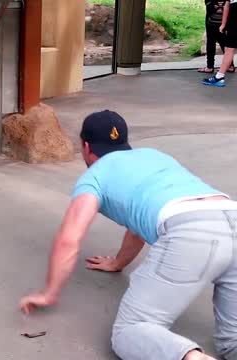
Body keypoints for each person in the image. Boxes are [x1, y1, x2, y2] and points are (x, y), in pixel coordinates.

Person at [19, 110, 236, 360]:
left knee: (131, 331)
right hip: (230, 212)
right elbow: (138, 225)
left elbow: (69, 238)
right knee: (233, 341)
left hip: (190, 231)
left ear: (85, 146)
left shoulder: (94, 177)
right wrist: (119, 262)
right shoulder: (154, 156)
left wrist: (49, 292)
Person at [204, 0, 237, 87]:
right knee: (229, 48)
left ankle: (220, 76)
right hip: (233, 16)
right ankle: (219, 76)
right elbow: (227, 4)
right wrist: (223, 24)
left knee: (229, 48)